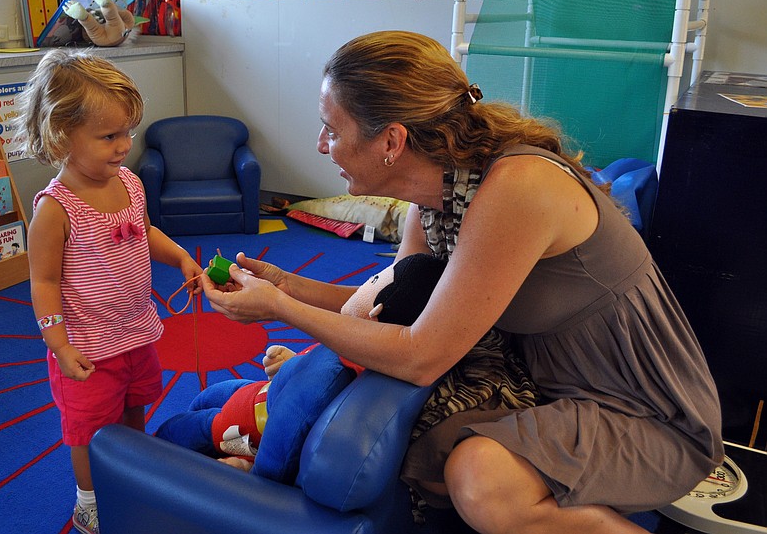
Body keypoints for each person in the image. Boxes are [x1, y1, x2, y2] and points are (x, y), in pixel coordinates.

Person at [201, 31, 724, 534]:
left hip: (643, 408)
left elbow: (419, 352)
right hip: (545, 383)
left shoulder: (517, 188)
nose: (320, 145)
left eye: (332, 131)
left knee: (478, 479)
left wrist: (281, 308)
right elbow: (382, 305)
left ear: (391, 140)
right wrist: (282, 284)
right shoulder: (433, 202)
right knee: (427, 457)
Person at [19, 49, 203, 534]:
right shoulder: (54, 210)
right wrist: (57, 344)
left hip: (135, 329)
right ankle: (90, 501)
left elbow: (145, 232)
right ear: (62, 137)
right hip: (85, 346)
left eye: (128, 132)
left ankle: (133, 474)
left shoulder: (130, 181)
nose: (124, 145)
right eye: (108, 136)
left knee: (135, 406)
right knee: (88, 429)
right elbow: (44, 282)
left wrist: (180, 255)